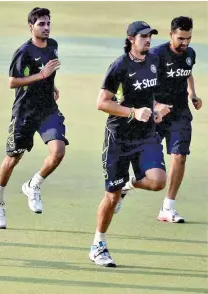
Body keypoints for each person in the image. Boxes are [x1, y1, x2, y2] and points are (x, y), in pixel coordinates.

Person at [90, 21, 171, 267]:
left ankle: (128, 184)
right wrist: (133, 113)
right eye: (143, 36)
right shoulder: (119, 66)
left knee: (158, 181)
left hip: (146, 135)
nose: (148, 40)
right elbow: (102, 103)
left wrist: (157, 109)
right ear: (131, 39)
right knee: (111, 197)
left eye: (150, 36)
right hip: (119, 139)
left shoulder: (154, 61)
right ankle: (98, 245)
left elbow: (151, 96)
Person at [115, 16, 201, 223]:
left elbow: (188, 73)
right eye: (181, 38)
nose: (185, 43)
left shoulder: (189, 53)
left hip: (180, 113)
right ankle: (126, 184)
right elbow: (141, 81)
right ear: (171, 34)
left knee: (180, 156)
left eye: (188, 38)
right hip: (156, 115)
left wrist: (193, 94)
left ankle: (168, 208)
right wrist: (155, 107)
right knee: (149, 171)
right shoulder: (155, 55)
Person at [0, 7, 67, 229]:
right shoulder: (23, 52)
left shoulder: (53, 46)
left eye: (48, 23)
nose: (46, 28)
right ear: (31, 27)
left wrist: (51, 86)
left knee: (58, 152)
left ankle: (33, 185)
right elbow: (13, 81)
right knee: (13, 158)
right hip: (25, 112)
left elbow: (49, 73)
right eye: (41, 24)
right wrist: (41, 76)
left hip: (48, 110)